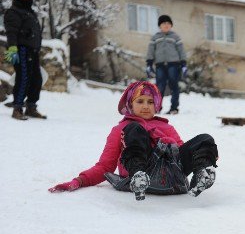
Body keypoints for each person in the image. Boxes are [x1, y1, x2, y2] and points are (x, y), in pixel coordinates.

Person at [48, 81, 218, 201]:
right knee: (134, 129)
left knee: (205, 139)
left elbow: (181, 153)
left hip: (172, 177)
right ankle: (139, 176)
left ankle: (202, 174)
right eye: (140, 101)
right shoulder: (122, 129)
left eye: (151, 102)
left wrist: (202, 154)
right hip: (138, 175)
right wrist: (79, 181)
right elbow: (105, 166)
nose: (146, 106)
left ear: (157, 105)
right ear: (130, 104)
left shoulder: (167, 127)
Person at [3, 0, 46, 120]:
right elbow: (12, 32)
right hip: (21, 49)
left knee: (37, 79)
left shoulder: (30, 13)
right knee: (23, 79)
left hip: (32, 50)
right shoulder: (13, 12)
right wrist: (12, 48)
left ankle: (31, 106)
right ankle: (17, 108)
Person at [146, 15, 187, 115]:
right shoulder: (155, 37)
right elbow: (151, 51)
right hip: (160, 65)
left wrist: (183, 63)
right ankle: (157, 107)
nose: (166, 25)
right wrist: (149, 63)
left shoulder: (175, 37)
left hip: (173, 65)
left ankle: (174, 108)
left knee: (174, 86)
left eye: (168, 23)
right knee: (159, 87)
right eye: (164, 23)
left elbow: (181, 50)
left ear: (171, 25)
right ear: (160, 25)